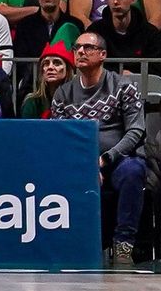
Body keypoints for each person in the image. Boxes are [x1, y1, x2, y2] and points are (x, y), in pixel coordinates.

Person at [49, 31, 148, 265]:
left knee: (134, 171)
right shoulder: (63, 94)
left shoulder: (124, 87)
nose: (80, 52)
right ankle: (71, 244)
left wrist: (105, 159)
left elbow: (135, 131)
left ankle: (124, 245)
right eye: (77, 48)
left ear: (102, 55)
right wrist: (86, 165)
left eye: (87, 48)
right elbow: (62, 140)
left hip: (118, 160)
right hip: (81, 162)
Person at [20, 41, 74, 118]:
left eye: (57, 63)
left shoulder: (78, 101)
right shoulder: (32, 102)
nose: (50, 67)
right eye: (46, 63)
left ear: (67, 70)